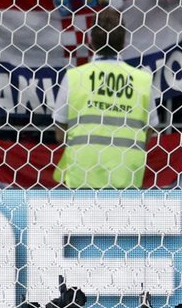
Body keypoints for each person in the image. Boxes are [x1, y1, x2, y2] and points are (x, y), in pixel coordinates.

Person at [52, 10, 157, 189]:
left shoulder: (74, 77)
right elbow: (150, 130)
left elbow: (60, 132)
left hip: (81, 176)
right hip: (126, 177)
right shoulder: (143, 80)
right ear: (124, 43)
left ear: (90, 40)